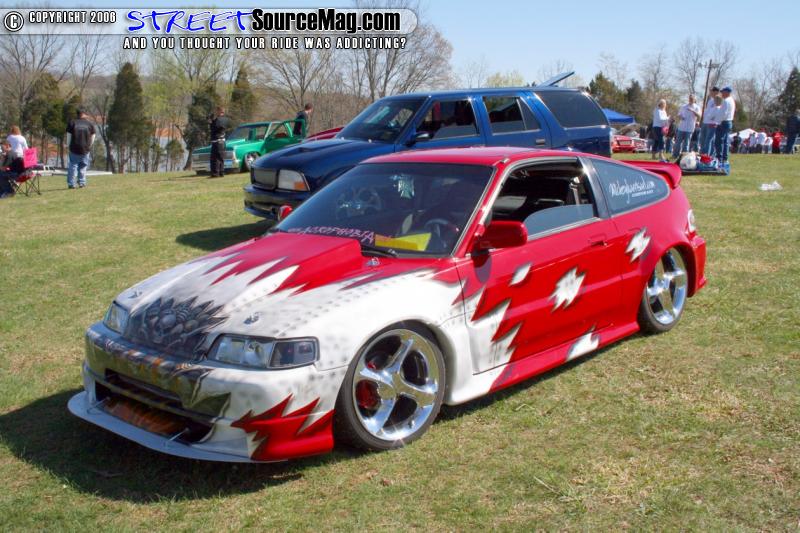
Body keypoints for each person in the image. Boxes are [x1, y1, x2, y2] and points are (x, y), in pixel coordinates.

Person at [65, 109, 96, 189]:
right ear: (84, 114)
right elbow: (93, 135)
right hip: (85, 149)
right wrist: (89, 145)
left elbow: (68, 136)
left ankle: (71, 184)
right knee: (83, 165)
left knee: (73, 165)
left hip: (74, 147)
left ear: (78, 114)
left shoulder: (72, 122)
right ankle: (82, 183)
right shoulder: (89, 124)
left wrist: (68, 145)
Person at [672, 94, 701, 160]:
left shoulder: (697, 107)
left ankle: (684, 157)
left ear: (694, 99)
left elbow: (699, 116)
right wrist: (680, 117)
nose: (690, 100)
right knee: (678, 142)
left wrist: (693, 111)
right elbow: (679, 114)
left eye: (692, 99)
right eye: (690, 98)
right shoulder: (684, 106)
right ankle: (675, 155)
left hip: (690, 128)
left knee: (686, 143)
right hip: (682, 127)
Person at [714, 86, 736, 163]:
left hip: (723, 122)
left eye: (723, 92)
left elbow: (723, 113)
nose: (722, 94)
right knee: (725, 141)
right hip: (728, 122)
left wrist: (718, 122)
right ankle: (724, 158)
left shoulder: (726, 101)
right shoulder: (732, 100)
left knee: (719, 141)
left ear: (727, 92)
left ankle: (719, 158)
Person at [208, 106, 231, 178]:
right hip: (223, 141)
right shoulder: (227, 119)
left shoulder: (217, 120)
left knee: (214, 158)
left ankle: (215, 174)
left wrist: (210, 122)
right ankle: (221, 172)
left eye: (216, 111)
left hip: (217, 141)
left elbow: (213, 129)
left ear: (219, 111)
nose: (215, 112)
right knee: (221, 158)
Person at [699, 87, 720, 156]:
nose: (710, 92)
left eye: (711, 91)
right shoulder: (710, 100)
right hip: (705, 121)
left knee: (709, 140)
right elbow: (707, 110)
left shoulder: (718, 100)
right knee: (703, 139)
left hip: (712, 123)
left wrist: (713, 118)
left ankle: (707, 155)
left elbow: (718, 111)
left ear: (715, 92)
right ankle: (702, 153)